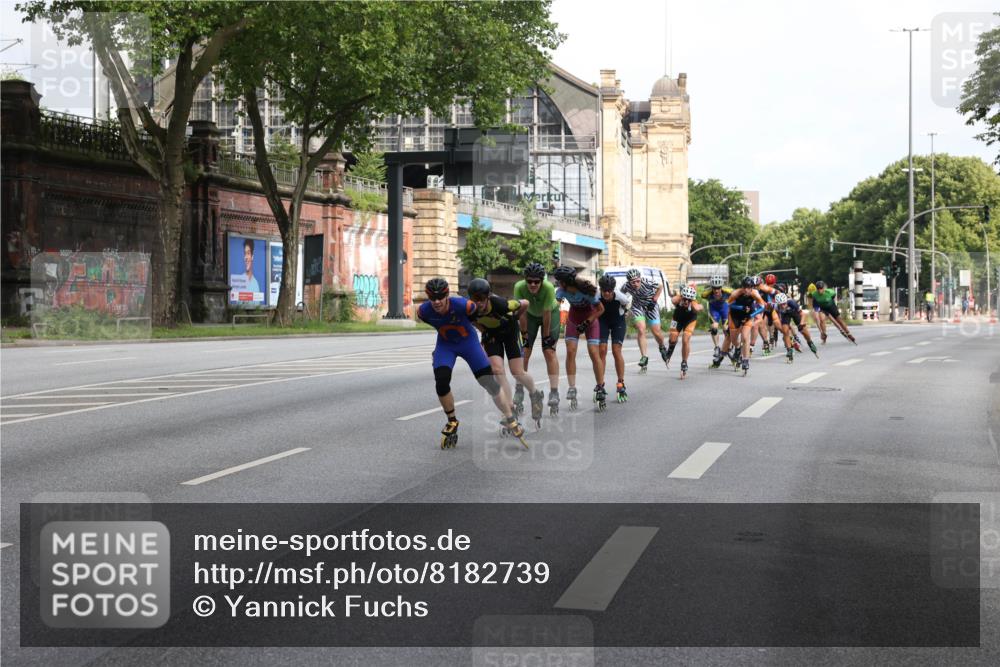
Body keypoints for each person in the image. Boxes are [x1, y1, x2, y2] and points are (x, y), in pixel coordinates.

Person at [416, 278, 526, 449]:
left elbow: (480, 318)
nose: (436, 302)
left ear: (447, 296)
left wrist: (490, 333)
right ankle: (452, 421)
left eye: (440, 297)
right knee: (441, 381)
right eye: (432, 298)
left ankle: (510, 417)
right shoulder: (423, 312)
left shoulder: (465, 306)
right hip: (446, 346)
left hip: (469, 344)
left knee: (489, 384)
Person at [466, 278, 545, 427]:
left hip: (510, 332)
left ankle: (535, 393)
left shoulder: (500, 304)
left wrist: (515, 317)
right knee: (497, 369)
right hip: (492, 335)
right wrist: (484, 331)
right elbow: (473, 321)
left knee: (517, 372)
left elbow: (525, 304)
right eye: (475, 299)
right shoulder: (470, 309)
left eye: (482, 299)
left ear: (488, 296)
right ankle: (509, 408)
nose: (479, 303)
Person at [552, 266, 604, 411]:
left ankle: (600, 386)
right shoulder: (561, 291)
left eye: (559, 281)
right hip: (574, 319)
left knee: (594, 352)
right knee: (570, 351)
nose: (558, 284)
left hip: (590, 319)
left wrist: (587, 322)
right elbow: (554, 308)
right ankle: (572, 387)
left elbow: (601, 309)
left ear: (564, 282)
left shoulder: (588, 291)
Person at [513, 262, 561, 416]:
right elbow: (521, 313)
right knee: (524, 351)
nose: (532, 284)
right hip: (530, 316)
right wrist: (524, 334)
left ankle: (554, 392)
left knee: (549, 352)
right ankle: (519, 389)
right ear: (525, 280)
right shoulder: (519, 287)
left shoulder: (548, 288)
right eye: (529, 281)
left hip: (550, 315)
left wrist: (546, 337)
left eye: (536, 282)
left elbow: (546, 314)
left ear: (542, 281)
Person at [620, 268, 668, 373]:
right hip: (638, 306)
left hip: (651, 305)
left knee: (656, 332)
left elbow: (660, 286)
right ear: (629, 282)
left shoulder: (647, 282)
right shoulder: (626, 286)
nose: (636, 284)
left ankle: (662, 346)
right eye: (633, 282)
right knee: (641, 329)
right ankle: (644, 357)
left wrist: (654, 300)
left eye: (638, 281)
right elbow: (621, 297)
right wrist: (624, 309)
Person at [597, 273, 632, 406]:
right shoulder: (597, 295)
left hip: (618, 321)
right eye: (604, 290)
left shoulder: (620, 297)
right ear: (600, 289)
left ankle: (620, 382)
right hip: (603, 321)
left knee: (616, 351)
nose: (606, 293)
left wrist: (626, 313)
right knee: (602, 350)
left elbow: (628, 306)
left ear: (613, 290)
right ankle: (600, 383)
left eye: (609, 291)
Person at [724, 276, 768, 375]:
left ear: (752, 287)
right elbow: (728, 305)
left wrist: (751, 315)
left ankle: (745, 360)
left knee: (745, 337)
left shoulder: (755, 293)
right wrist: (741, 307)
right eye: (745, 287)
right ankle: (738, 349)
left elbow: (762, 307)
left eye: (749, 287)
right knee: (734, 339)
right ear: (742, 287)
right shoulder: (736, 293)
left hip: (748, 315)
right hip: (735, 315)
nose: (747, 290)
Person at [665, 285, 703, 379]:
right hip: (677, 319)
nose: (686, 301)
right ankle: (669, 352)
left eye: (689, 299)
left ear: (692, 299)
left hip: (690, 321)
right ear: (682, 297)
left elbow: (700, 307)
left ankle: (684, 362)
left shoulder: (694, 304)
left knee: (685, 340)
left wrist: (700, 307)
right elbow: (672, 298)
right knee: (673, 338)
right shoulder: (677, 300)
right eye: (685, 298)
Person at [774, 292, 819, 362]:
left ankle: (810, 342)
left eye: (784, 304)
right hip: (786, 315)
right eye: (781, 305)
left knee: (803, 330)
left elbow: (803, 314)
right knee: (785, 331)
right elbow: (777, 318)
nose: (783, 306)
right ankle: (789, 351)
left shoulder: (792, 303)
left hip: (795, 313)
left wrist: (801, 324)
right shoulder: (776, 307)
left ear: (786, 301)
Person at [701, 275, 732, 358]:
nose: (716, 290)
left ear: (721, 287)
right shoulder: (706, 293)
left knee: (726, 329)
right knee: (714, 329)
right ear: (712, 287)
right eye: (714, 288)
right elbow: (702, 295)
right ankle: (717, 347)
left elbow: (736, 294)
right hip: (714, 310)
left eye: (718, 288)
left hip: (724, 309)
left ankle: (729, 347)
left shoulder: (727, 291)